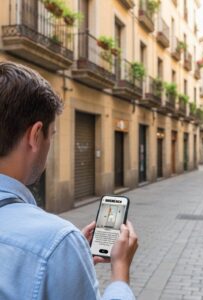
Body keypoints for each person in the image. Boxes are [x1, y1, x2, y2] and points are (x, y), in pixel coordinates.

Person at [0, 61, 138, 299]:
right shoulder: (56, 241)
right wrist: (120, 273)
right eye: (51, 135)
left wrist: (68, 263)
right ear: (35, 135)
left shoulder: (59, 247)